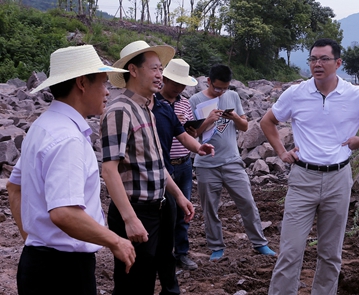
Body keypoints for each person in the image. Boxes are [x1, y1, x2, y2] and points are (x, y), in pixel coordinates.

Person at [261, 38, 359, 295]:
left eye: (324, 59)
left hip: (338, 179)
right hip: (303, 178)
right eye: (313, 59)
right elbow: (267, 121)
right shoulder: (296, 93)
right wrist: (281, 152)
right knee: (290, 251)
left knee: (330, 253)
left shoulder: (354, 95)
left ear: (338, 63)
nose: (317, 64)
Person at [7, 45, 136, 295]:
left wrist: (34, 239)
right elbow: (64, 213)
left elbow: (14, 187)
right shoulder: (68, 138)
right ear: (82, 83)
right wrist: (115, 240)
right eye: (103, 82)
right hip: (64, 272)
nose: (107, 91)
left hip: (37, 264)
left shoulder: (42, 125)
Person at [100, 40, 195, 295]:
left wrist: (178, 195)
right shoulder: (120, 111)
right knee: (134, 284)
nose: (159, 75)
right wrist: (130, 219)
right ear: (133, 70)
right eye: (154, 68)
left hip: (159, 207)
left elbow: (156, 163)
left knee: (155, 273)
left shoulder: (147, 110)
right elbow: (109, 170)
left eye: (161, 69)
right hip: (136, 210)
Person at [189, 64, 276, 261]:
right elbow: (191, 135)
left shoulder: (233, 96)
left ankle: (259, 243)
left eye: (225, 88)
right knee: (210, 209)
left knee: (247, 202)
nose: (221, 92)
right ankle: (216, 247)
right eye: (217, 88)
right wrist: (208, 120)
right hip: (206, 164)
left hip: (232, 161)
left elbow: (244, 126)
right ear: (208, 81)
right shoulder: (195, 100)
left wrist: (235, 116)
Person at [153, 58, 213, 270]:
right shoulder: (153, 103)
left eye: (182, 85)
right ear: (165, 79)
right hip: (164, 166)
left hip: (184, 164)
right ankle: (162, 255)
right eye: (175, 83)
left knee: (183, 210)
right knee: (162, 212)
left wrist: (193, 135)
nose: (178, 88)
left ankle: (181, 253)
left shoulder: (185, 103)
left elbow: (190, 133)